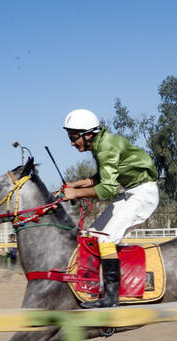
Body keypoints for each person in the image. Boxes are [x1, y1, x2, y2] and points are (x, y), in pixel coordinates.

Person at [62, 108, 159, 308]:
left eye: (73, 137)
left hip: (143, 193)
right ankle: (94, 286)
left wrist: (75, 194)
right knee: (93, 234)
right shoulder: (101, 144)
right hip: (132, 192)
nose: (71, 143)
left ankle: (111, 298)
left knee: (106, 239)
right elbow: (101, 178)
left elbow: (108, 189)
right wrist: (75, 185)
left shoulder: (105, 147)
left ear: (88, 134)